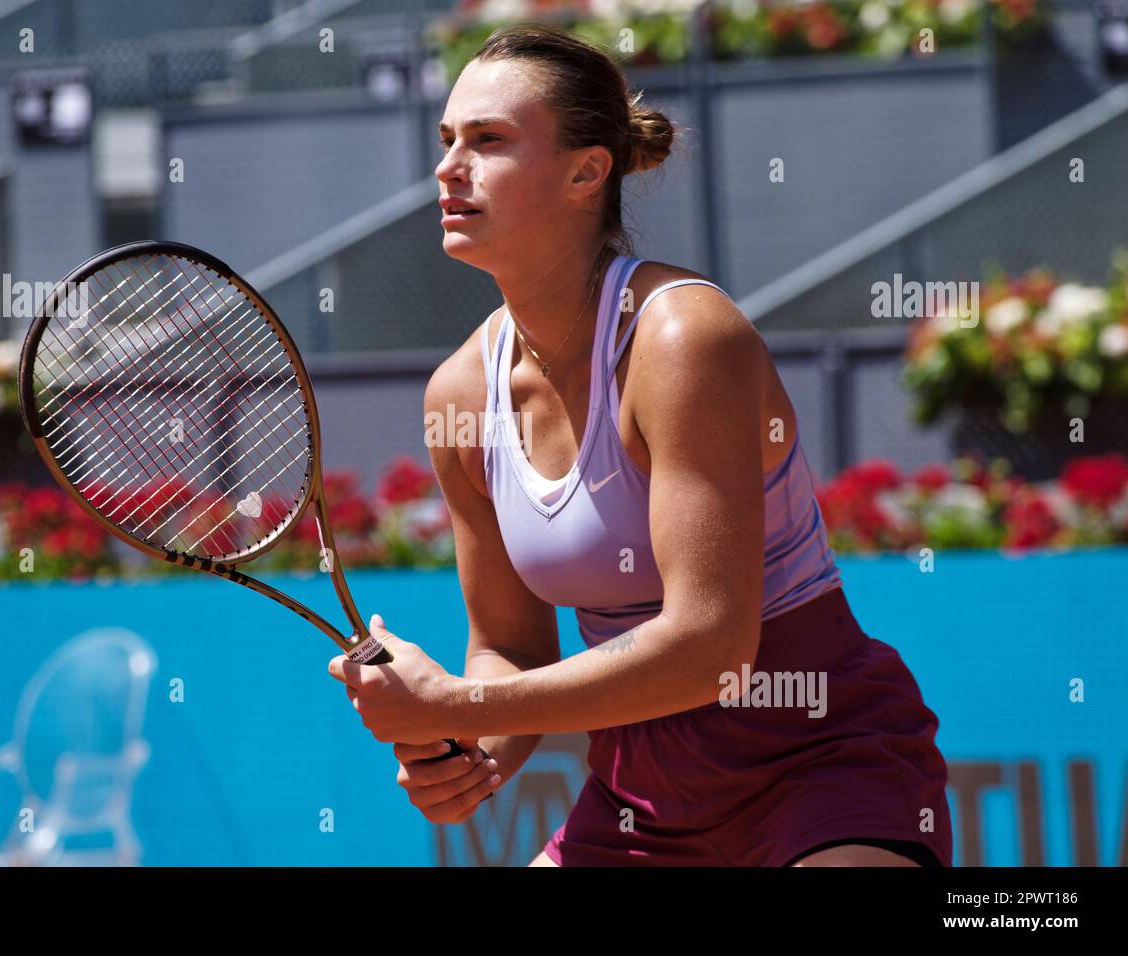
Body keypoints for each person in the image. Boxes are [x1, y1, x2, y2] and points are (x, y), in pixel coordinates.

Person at [328, 23, 952, 867]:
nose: (448, 168)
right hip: (640, 802)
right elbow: (511, 647)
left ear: (588, 171)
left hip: (823, 764)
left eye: (488, 141)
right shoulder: (460, 397)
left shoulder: (685, 338)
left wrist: (456, 703)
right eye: (447, 141)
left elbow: (709, 648)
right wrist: (471, 752)